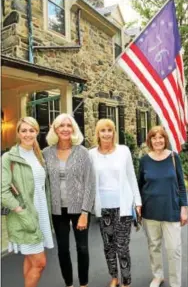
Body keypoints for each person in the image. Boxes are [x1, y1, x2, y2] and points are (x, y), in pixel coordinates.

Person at [43, 113, 95, 287]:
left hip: (79, 208)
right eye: (61, 125)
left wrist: (85, 212)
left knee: (82, 248)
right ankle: (69, 284)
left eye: (68, 125)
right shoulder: (46, 154)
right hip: (57, 210)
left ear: (73, 128)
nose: (65, 129)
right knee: (63, 250)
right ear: (55, 129)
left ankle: (83, 284)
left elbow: (90, 183)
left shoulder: (82, 152)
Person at [1, 117, 54, 287]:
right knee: (40, 262)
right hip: (25, 216)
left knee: (31, 260)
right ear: (18, 133)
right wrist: (21, 212)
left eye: (31, 130)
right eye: (23, 130)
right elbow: (3, 191)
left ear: (37, 132)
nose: (27, 134)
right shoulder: (9, 158)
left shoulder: (38, 155)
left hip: (41, 214)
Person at [89, 119, 142, 287]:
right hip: (103, 207)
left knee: (122, 246)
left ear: (114, 133)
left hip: (123, 205)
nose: (106, 133)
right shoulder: (91, 154)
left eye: (109, 130)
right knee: (108, 246)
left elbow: (131, 176)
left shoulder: (123, 151)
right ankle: (114, 277)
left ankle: (126, 281)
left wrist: (137, 201)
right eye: (102, 130)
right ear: (97, 133)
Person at [138, 126, 188, 287]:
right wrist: (138, 207)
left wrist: (184, 207)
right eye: (154, 138)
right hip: (150, 211)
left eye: (160, 137)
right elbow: (140, 186)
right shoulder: (144, 161)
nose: (157, 140)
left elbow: (181, 184)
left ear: (165, 139)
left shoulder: (174, 157)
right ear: (150, 141)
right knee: (154, 246)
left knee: (174, 249)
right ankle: (158, 275)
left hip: (171, 210)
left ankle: (175, 282)